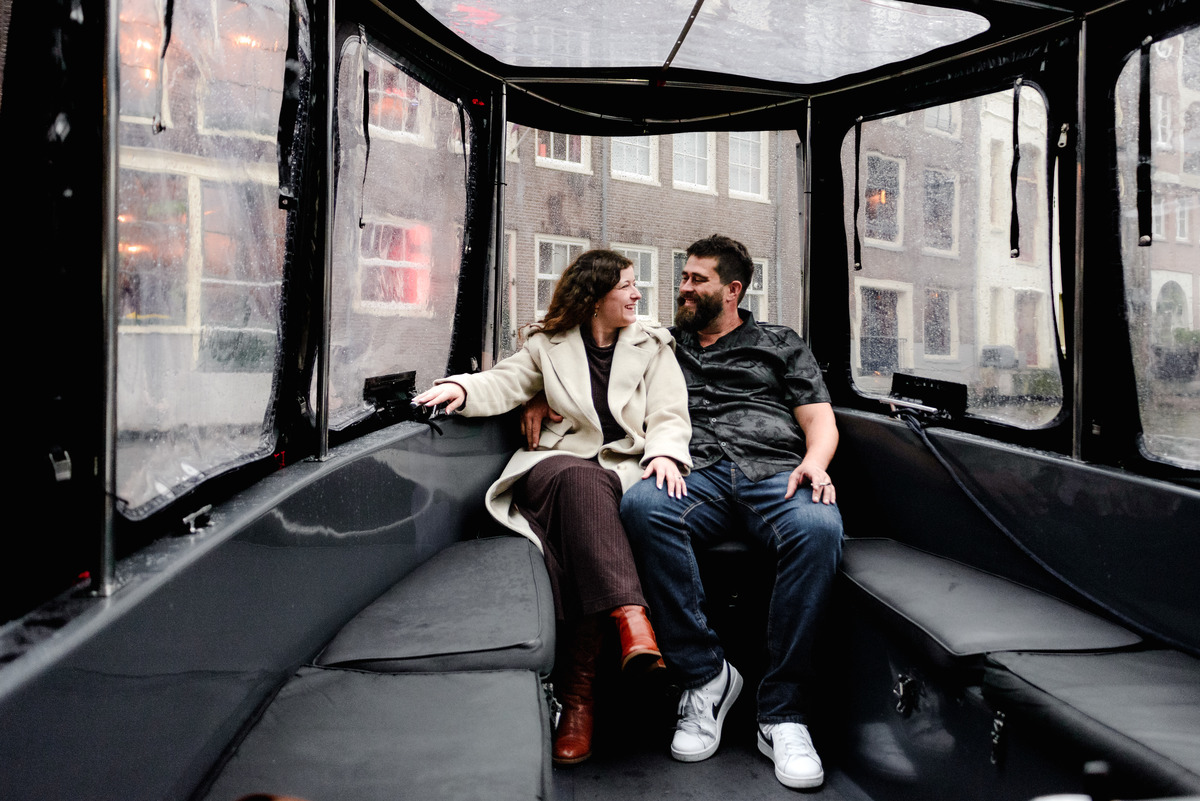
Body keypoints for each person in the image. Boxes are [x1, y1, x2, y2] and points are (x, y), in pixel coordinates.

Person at [524, 235, 842, 789]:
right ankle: (705, 677)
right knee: (644, 507)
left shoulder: (779, 343)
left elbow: (819, 420)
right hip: (693, 473)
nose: (684, 289)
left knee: (818, 528)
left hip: (774, 470)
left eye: (697, 280)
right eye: (684, 277)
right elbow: (577, 348)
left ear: (733, 289)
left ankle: (783, 714)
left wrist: (815, 463)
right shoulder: (658, 342)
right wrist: (536, 394)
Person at [413, 248, 692, 766]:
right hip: (554, 466)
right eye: (626, 287)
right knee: (581, 482)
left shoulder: (653, 346)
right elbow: (506, 381)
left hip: (623, 470)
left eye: (636, 285)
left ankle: (578, 700)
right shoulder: (548, 344)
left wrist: (666, 455)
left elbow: (671, 414)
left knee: (582, 525)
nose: (637, 294)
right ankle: (631, 621)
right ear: (594, 298)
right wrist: (459, 386)